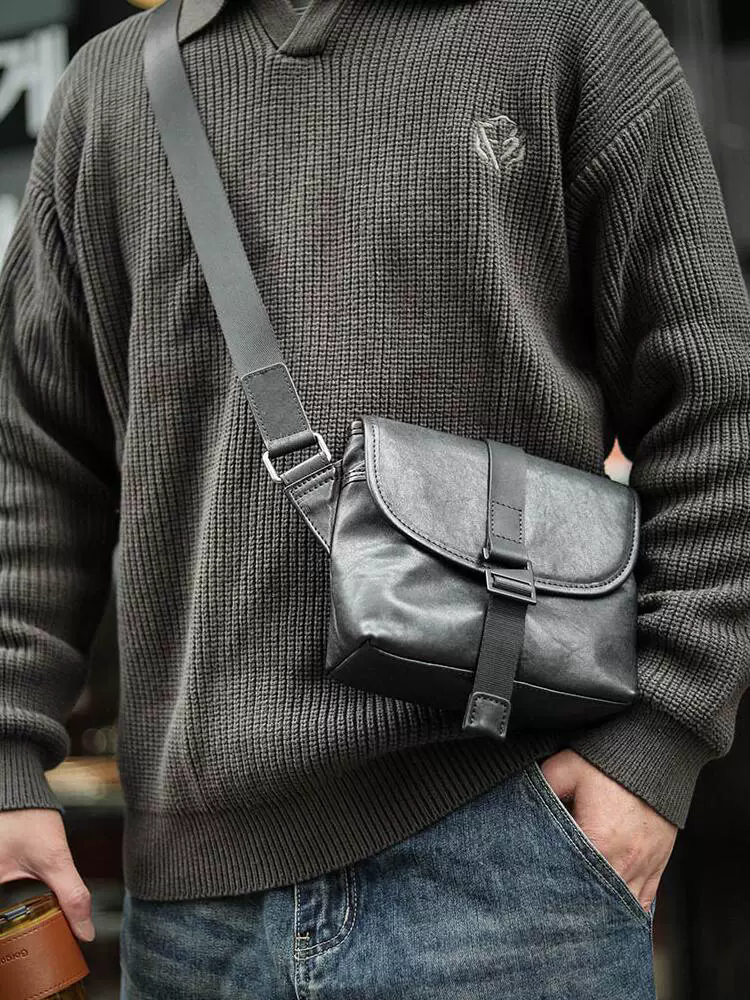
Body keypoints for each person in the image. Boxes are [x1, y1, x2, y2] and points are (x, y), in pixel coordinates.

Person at [0, 0, 748, 996]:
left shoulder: (574, 34)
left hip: (513, 861)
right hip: (194, 918)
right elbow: (30, 464)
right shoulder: (109, 92)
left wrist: (655, 748)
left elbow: (718, 415)